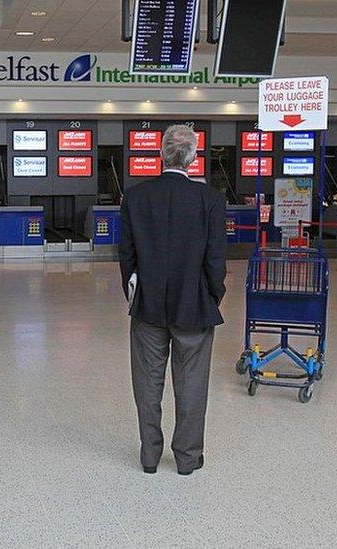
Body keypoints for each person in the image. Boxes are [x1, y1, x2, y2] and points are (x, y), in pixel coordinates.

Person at [119, 124, 227, 476]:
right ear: (193, 157)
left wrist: (134, 294)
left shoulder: (136, 197)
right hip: (194, 306)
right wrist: (213, 296)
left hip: (148, 306)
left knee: (148, 382)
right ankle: (186, 457)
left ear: (161, 154)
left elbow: (127, 256)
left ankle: (150, 455)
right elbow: (215, 260)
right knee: (192, 383)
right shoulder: (210, 200)